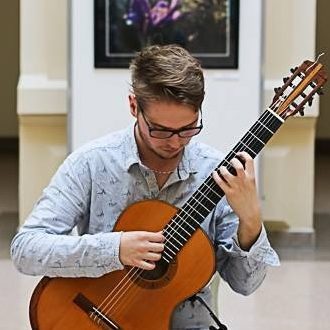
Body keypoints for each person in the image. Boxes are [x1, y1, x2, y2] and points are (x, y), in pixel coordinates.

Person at [11, 44, 279, 329]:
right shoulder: (91, 163)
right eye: (161, 130)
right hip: (93, 314)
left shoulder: (216, 173)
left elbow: (245, 284)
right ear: (133, 106)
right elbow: (26, 250)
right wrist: (115, 249)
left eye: (188, 128)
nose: (175, 142)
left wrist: (250, 220)